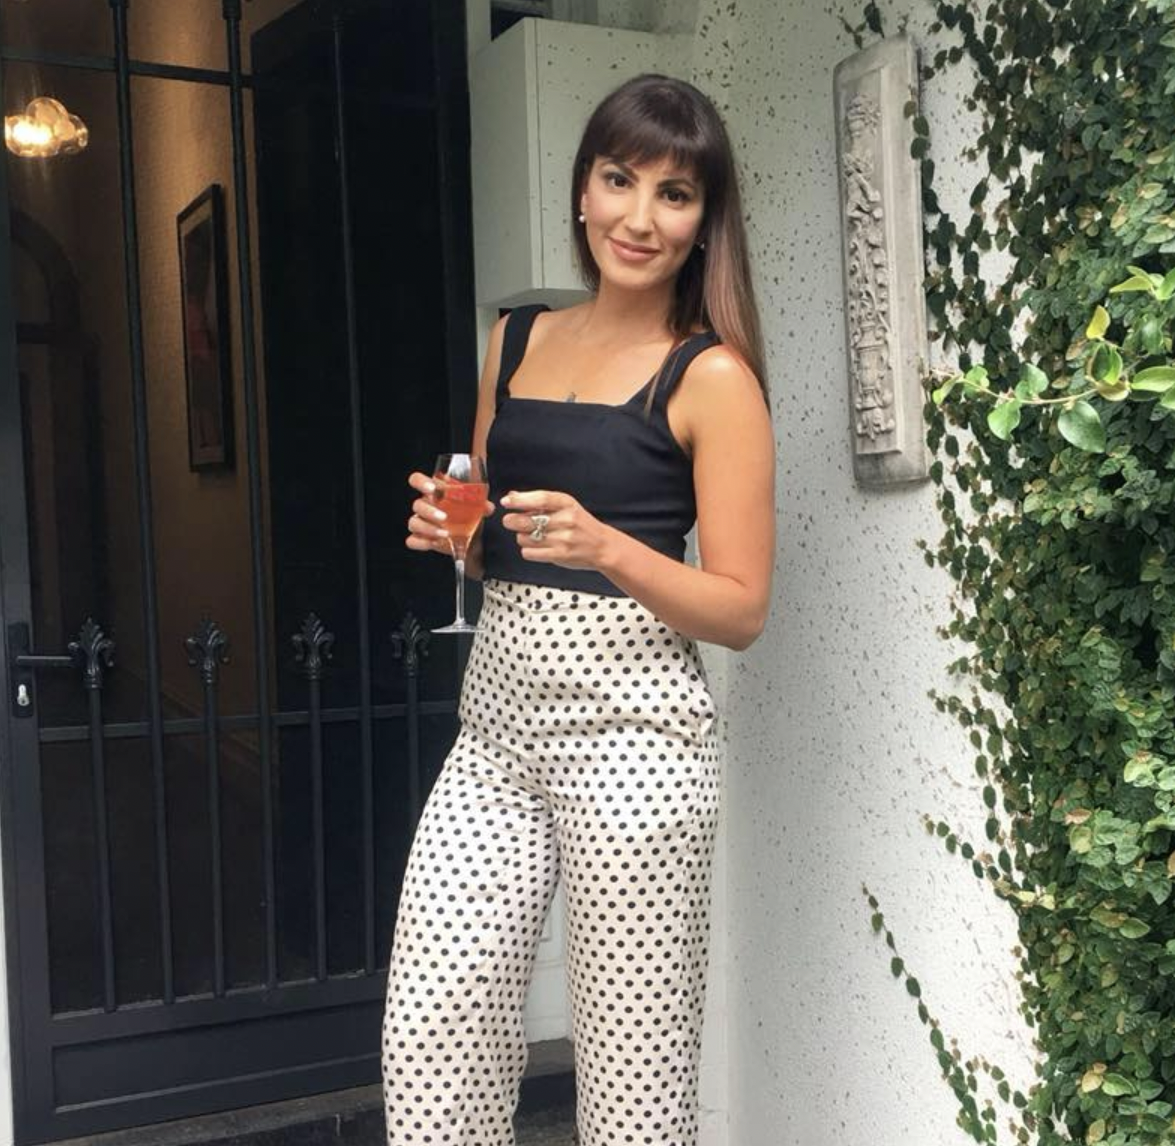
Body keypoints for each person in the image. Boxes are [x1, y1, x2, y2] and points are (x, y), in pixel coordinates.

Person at [381, 73, 775, 1146]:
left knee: (632, 1083)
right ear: (583, 189)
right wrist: (456, 540)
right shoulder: (514, 341)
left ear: (704, 223)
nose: (638, 217)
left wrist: (611, 547)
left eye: (674, 193)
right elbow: (495, 544)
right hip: (495, 740)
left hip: (636, 748)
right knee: (433, 1026)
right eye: (618, 179)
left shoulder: (712, 378)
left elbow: (739, 609)